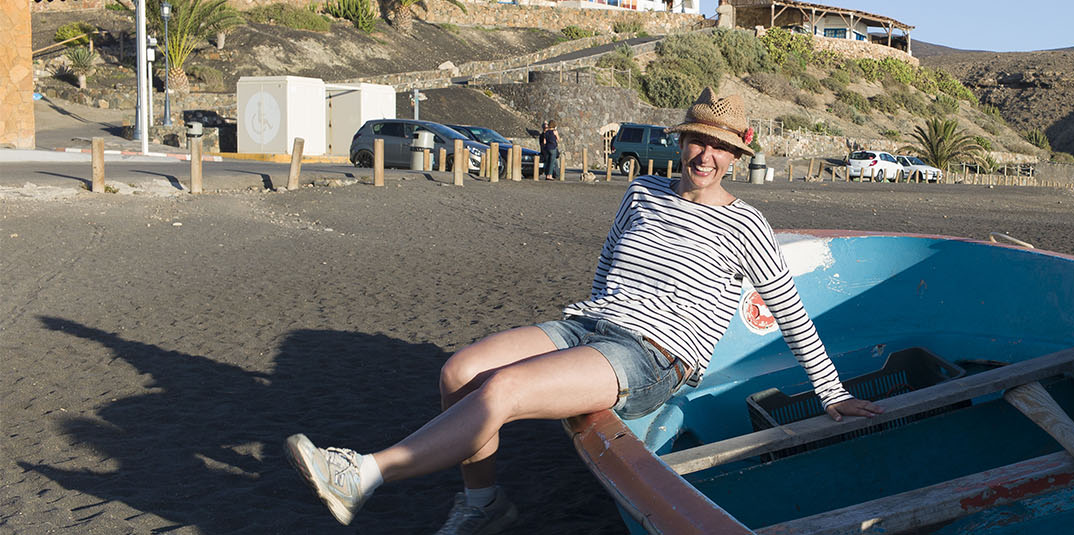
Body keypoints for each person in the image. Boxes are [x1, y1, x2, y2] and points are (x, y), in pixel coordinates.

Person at [285, 88, 884, 534]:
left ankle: (365, 473)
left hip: (653, 355)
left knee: (504, 392)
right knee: (460, 373)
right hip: (589, 323)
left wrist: (830, 394)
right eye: (698, 139)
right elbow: (607, 269)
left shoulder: (747, 223)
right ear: (681, 140)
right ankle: (483, 505)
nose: (706, 155)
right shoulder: (642, 193)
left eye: (721, 147)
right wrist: (580, 323)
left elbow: (790, 311)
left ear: (736, 156)